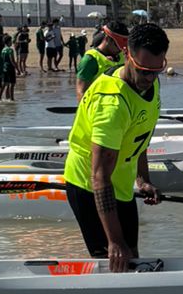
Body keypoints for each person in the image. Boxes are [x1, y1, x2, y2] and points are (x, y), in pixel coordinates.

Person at [62, 20, 170, 270]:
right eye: (143, 70)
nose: (150, 78)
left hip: (120, 184)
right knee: (113, 259)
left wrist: (143, 180)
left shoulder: (150, 82)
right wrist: (114, 241)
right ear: (126, 55)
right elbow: (99, 176)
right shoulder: (112, 104)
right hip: (89, 185)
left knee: (132, 255)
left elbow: (139, 138)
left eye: (157, 71)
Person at [76, 23, 128, 100]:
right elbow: (81, 93)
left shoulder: (122, 56)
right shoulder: (90, 60)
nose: (120, 49)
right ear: (107, 39)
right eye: (117, 45)